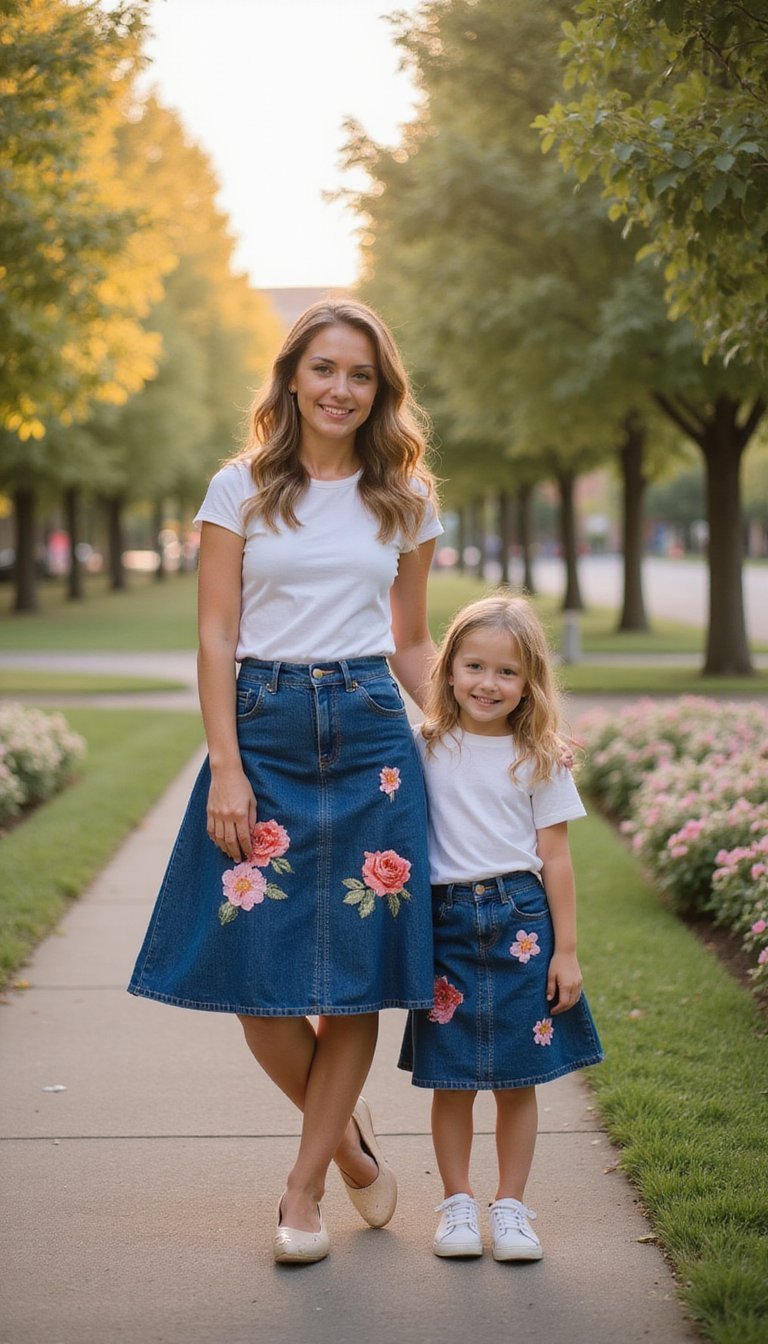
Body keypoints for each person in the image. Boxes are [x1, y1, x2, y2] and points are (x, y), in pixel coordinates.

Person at [129, 298, 442, 1263]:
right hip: (260, 733)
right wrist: (225, 763)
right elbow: (217, 634)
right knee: (256, 980)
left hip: (372, 740)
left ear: (380, 389)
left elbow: (413, 638)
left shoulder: (409, 499)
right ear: (292, 379)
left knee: (355, 984)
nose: (341, 390)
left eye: (360, 375)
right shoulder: (241, 490)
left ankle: (303, 1191)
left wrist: (472, 737)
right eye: (324, 370)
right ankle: (348, 1145)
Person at [398, 594, 603, 1262]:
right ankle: (457, 1204)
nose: (488, 683)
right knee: (453, 1077)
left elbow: (558, 859)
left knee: (518, 1078)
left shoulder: (539, 757)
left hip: (521, 924)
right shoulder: (425, 748)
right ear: (448, 669)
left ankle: (511, 1207)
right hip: (445, 922)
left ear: (530, 681)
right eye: (474, 666)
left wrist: (565, 952)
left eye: (506, 672)